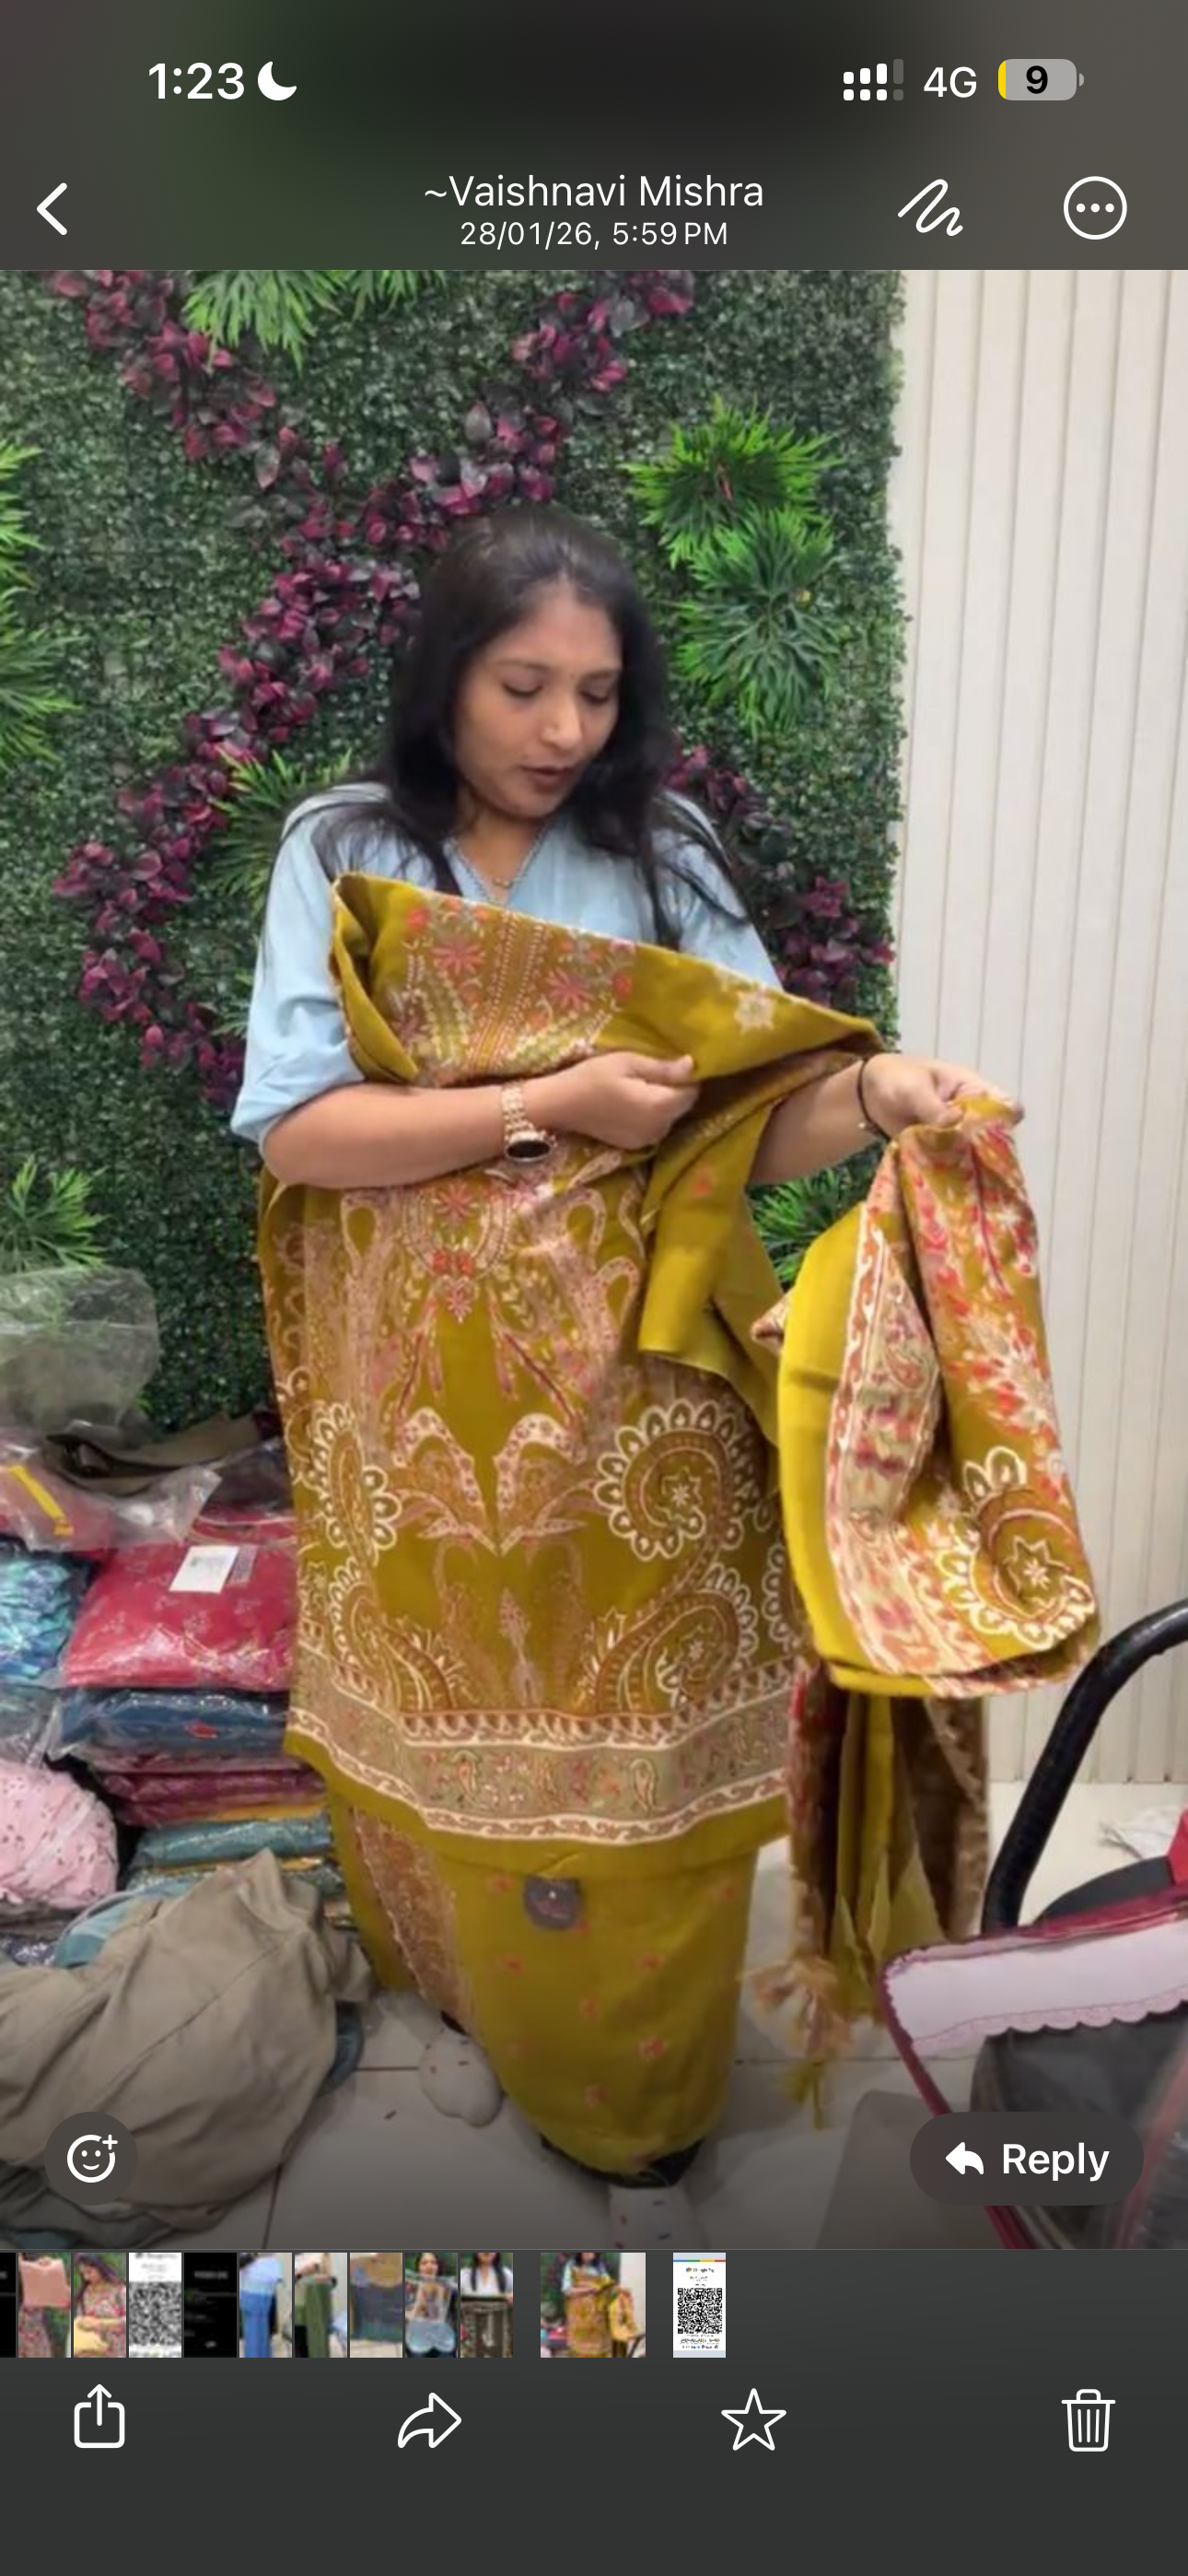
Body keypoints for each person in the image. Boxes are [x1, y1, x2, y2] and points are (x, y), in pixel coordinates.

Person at [232, 502, 1002, 2244]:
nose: (563, 729)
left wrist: (875, 1096)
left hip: (637, 1390)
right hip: (416, 1408)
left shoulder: (662, 857)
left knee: (636, 1737)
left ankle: (633, 2103)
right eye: (522, 687)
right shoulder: (346, 852)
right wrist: (547, 1105)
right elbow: (299, 1132)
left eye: (594, 692)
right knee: (446, 1715)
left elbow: (756, 1111)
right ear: (447, 679)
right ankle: (475, 2013)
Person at [560, 2253, 615, 2359]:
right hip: (579, 2313)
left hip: (598, 2313)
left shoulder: (599, 2267)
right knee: (579, 2349)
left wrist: (617, 2291)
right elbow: (566, 2290)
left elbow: (608, 2286)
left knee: (599, 2348)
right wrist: (590, 2289)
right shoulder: (572, 2265)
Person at [72, 2256, 127, 2359]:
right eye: (83, 2274)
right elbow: (80, 2320)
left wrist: (100, 2323)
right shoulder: (85, 2292)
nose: (86, 2277)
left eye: (89, 2272)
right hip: (92, 2350)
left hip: (117, 2350)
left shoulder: (119, 2290)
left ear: (100, 2267)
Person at [404, 2252, 456, 2359]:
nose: (429, 2266)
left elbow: (439, 2318)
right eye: (424, 2263)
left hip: (442, 2339)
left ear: (438, 2267)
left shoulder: (447, 2287)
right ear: (418, 2267)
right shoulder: (411, 2288)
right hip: (418, 2338)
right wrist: (418, 2303)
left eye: (433, 2262)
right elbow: (411, 2316)